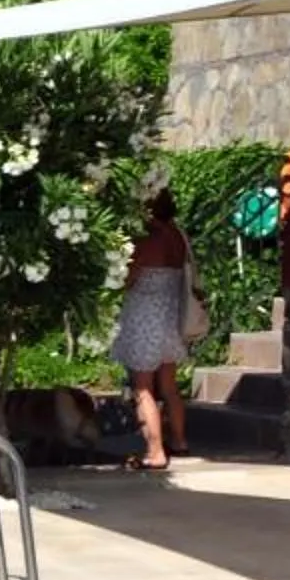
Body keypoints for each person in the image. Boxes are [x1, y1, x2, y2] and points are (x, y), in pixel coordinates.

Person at [108, 187, 191, 469]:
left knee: (143, 388)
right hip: (170, 316)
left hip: (144, 317)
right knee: (169, 386)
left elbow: (128, 279)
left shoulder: (145, 239)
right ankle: (179, 440)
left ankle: (155, 452)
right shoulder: (178, 236)